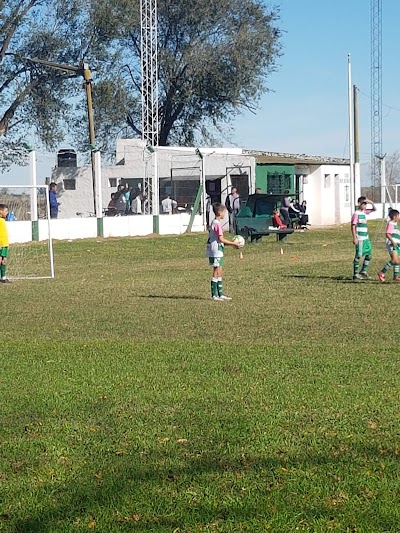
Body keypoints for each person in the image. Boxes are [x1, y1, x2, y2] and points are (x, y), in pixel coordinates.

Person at [206, 202, 240, 301]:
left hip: (218, 249)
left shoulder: (216, 223)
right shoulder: (216, 224)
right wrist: (234, 244)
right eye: (224, 212)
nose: (225, 214)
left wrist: (231, 244)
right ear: (220, 212)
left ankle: (220, 294)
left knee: (220, 271)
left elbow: (220, 240)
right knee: (216, 271)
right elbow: (221, 239)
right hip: (215, 250)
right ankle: (214, 295)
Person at [351, 196, 376, 281]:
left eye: (366, 204)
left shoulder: (364, 212)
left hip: (366, 238)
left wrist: (370, 202)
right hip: (360, 238)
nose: (365, 206)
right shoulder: (356, 214)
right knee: (358, 255)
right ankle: (355, 274)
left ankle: (363, 271)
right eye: (363, 204)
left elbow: (374, 209)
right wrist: (355, 237)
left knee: (369, 254)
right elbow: (353, 226)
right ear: (359, 204)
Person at [378, 208, 400, 282]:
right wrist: (393, 241)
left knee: (397, 260)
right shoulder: (390, 224)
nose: (399, 217)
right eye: (398, 216)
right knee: (394, 260)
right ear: (394, 216)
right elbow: (387, 234)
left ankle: (396, 276)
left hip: (396, 244)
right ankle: (381, 272)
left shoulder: (394, 224)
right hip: (392, 244)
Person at [0, 204, 10, 283]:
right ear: (1, 211)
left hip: (5, 245)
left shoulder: (3, 220)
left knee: (4, 261)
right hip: (1, 244)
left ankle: (3, 277)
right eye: (6, 211)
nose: (7, 212)